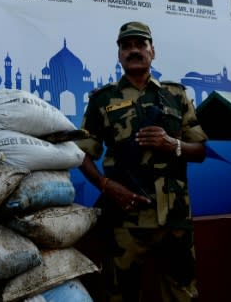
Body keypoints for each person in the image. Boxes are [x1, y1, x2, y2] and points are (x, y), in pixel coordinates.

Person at [76, 21, 207, 302]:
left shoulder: (176, 95)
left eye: (140, 44)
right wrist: (106, 185)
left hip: (174, 217)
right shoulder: (102, 100)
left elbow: (200, 150)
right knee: (119, 294)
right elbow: (81, 154)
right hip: (125, 219)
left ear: (152, 51)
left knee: (182, 294)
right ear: (119, 54)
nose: (133, 50)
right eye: (126, 46)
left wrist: (173, 145)